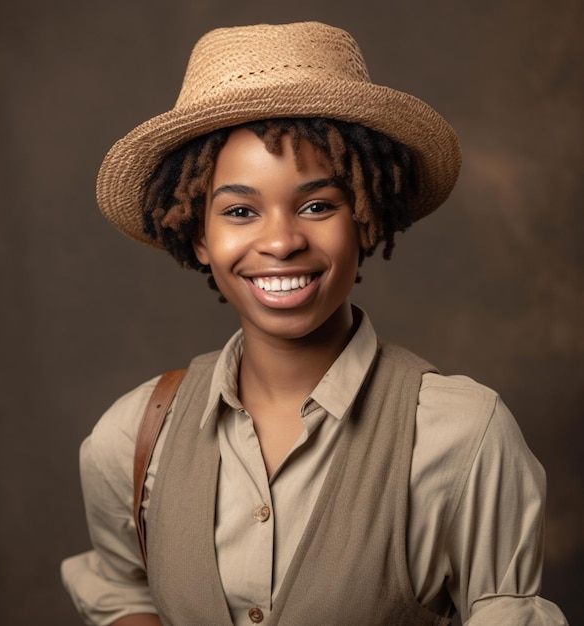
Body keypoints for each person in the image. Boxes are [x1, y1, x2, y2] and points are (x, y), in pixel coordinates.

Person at [61, 21, 568, 626]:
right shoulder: (134, 439)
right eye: (241, 211)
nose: (280, 241)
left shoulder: (462, 435)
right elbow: (118, 590)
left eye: (318, 206)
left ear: (366, 218)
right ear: (199, 236)